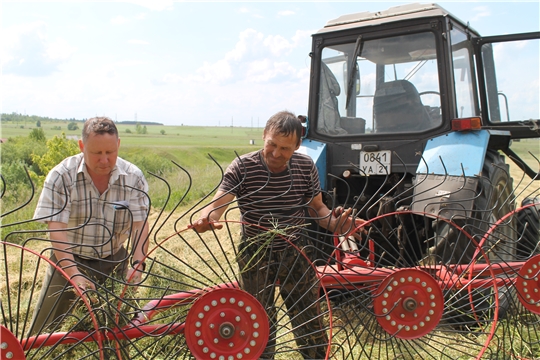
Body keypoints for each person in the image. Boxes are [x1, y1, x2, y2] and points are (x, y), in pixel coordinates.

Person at [192, 110, 366, 359]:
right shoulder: (243, 166)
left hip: (294, 250)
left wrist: (337, 225)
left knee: (309, 319)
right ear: (264, 136)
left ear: (297, 146)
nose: (276, 153)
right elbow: (218, 204)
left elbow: (318, 208)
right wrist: (208, 218)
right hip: (255, 252)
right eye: (271, 144)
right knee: (258, 322)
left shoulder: (305, 166)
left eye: (285, 148)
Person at [29, 117, 150, 336]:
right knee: (45, 335)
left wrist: (138, 264)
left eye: (110, 152)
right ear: (82, 146)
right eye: (97, 153)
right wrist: (74, 274)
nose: (104, 160)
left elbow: (140, 226)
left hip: (114, 261)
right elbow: (56, 229)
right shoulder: (62, 176)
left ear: (118, 145)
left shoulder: (133, 178)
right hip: (68, 260)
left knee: (119, 332)